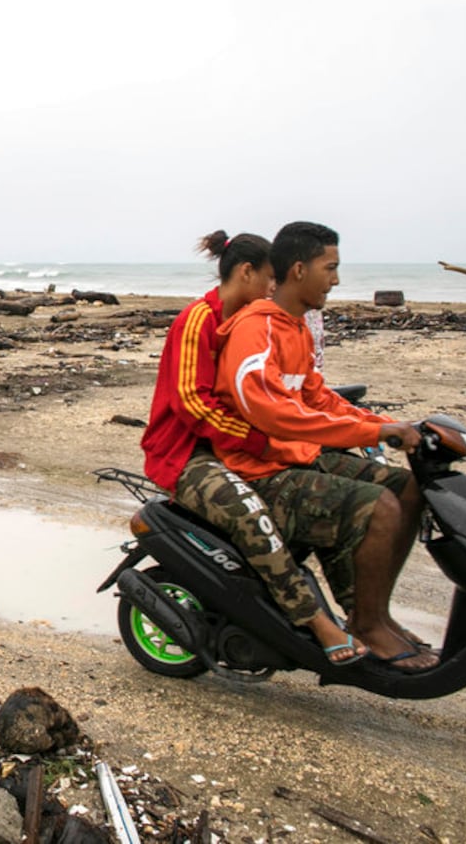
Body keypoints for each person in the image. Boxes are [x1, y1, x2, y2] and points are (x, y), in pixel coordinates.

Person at [215, 221, 436, 670]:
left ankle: (375, 614)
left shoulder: (295, 328)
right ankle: (368, 626)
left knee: (411, 489)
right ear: (299, 269)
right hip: (258, 471)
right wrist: (371, 434)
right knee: (381, 506)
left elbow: (319, 397)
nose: (336, 280)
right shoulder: (255, 330)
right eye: (330, 268)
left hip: (298, 459)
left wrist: (391, 424)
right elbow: (269, 412)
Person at [142, 232, 363, 664]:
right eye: (268, 278)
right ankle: (313, 621)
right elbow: (192, 403)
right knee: (249, 513)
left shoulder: (251, 323)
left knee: (321, 502)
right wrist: (262, 441)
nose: (273, 288)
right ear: (246, 272)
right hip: (186, 454)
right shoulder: (198, 319)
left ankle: (360, 614)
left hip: (234, 447)